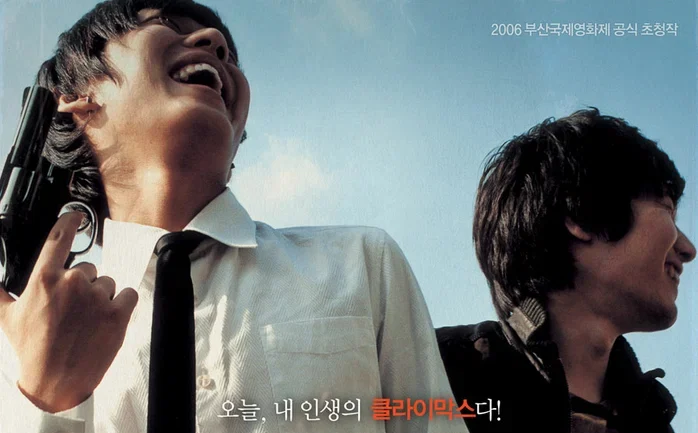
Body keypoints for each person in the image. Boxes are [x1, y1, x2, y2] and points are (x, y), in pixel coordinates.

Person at [0, 1, 465, 432]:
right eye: (165, 23)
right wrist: (46, 399)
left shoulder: (361, 263)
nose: (216, 42)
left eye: (231, 56)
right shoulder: (19, 340)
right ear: (78, 97)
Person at [437, 108, 696, 433]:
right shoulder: (430, 371)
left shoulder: (652, 425)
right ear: (585, 214)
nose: (688, 249)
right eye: (667, 210)